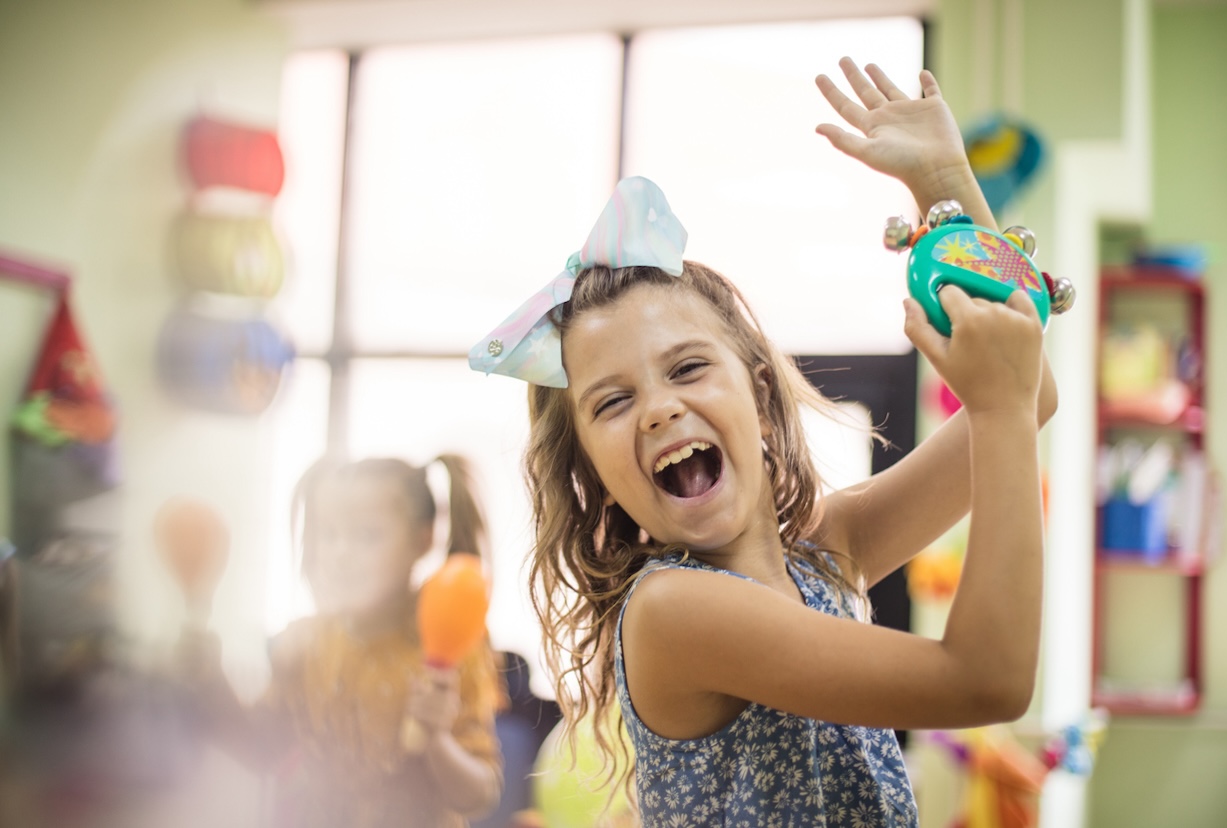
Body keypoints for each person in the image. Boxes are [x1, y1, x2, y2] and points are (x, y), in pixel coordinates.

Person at [469, 57, 1057, 826]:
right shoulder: (674, 613)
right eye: (613, 402)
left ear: (756, 382)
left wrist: (945, 179)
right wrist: (1000, 407)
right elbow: (987, 681)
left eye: (687, 368)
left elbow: (1033, 395)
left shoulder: (823, 550)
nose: (657, 410)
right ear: (592, 471)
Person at [179, 455, 504, 828]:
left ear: (422, 539)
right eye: (328, 535)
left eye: (367, 536)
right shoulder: (306, 642)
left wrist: (437, 741)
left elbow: (481, 795)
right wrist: (210, 682)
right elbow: (263, 749)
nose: (340, 553)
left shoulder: (448, 650)